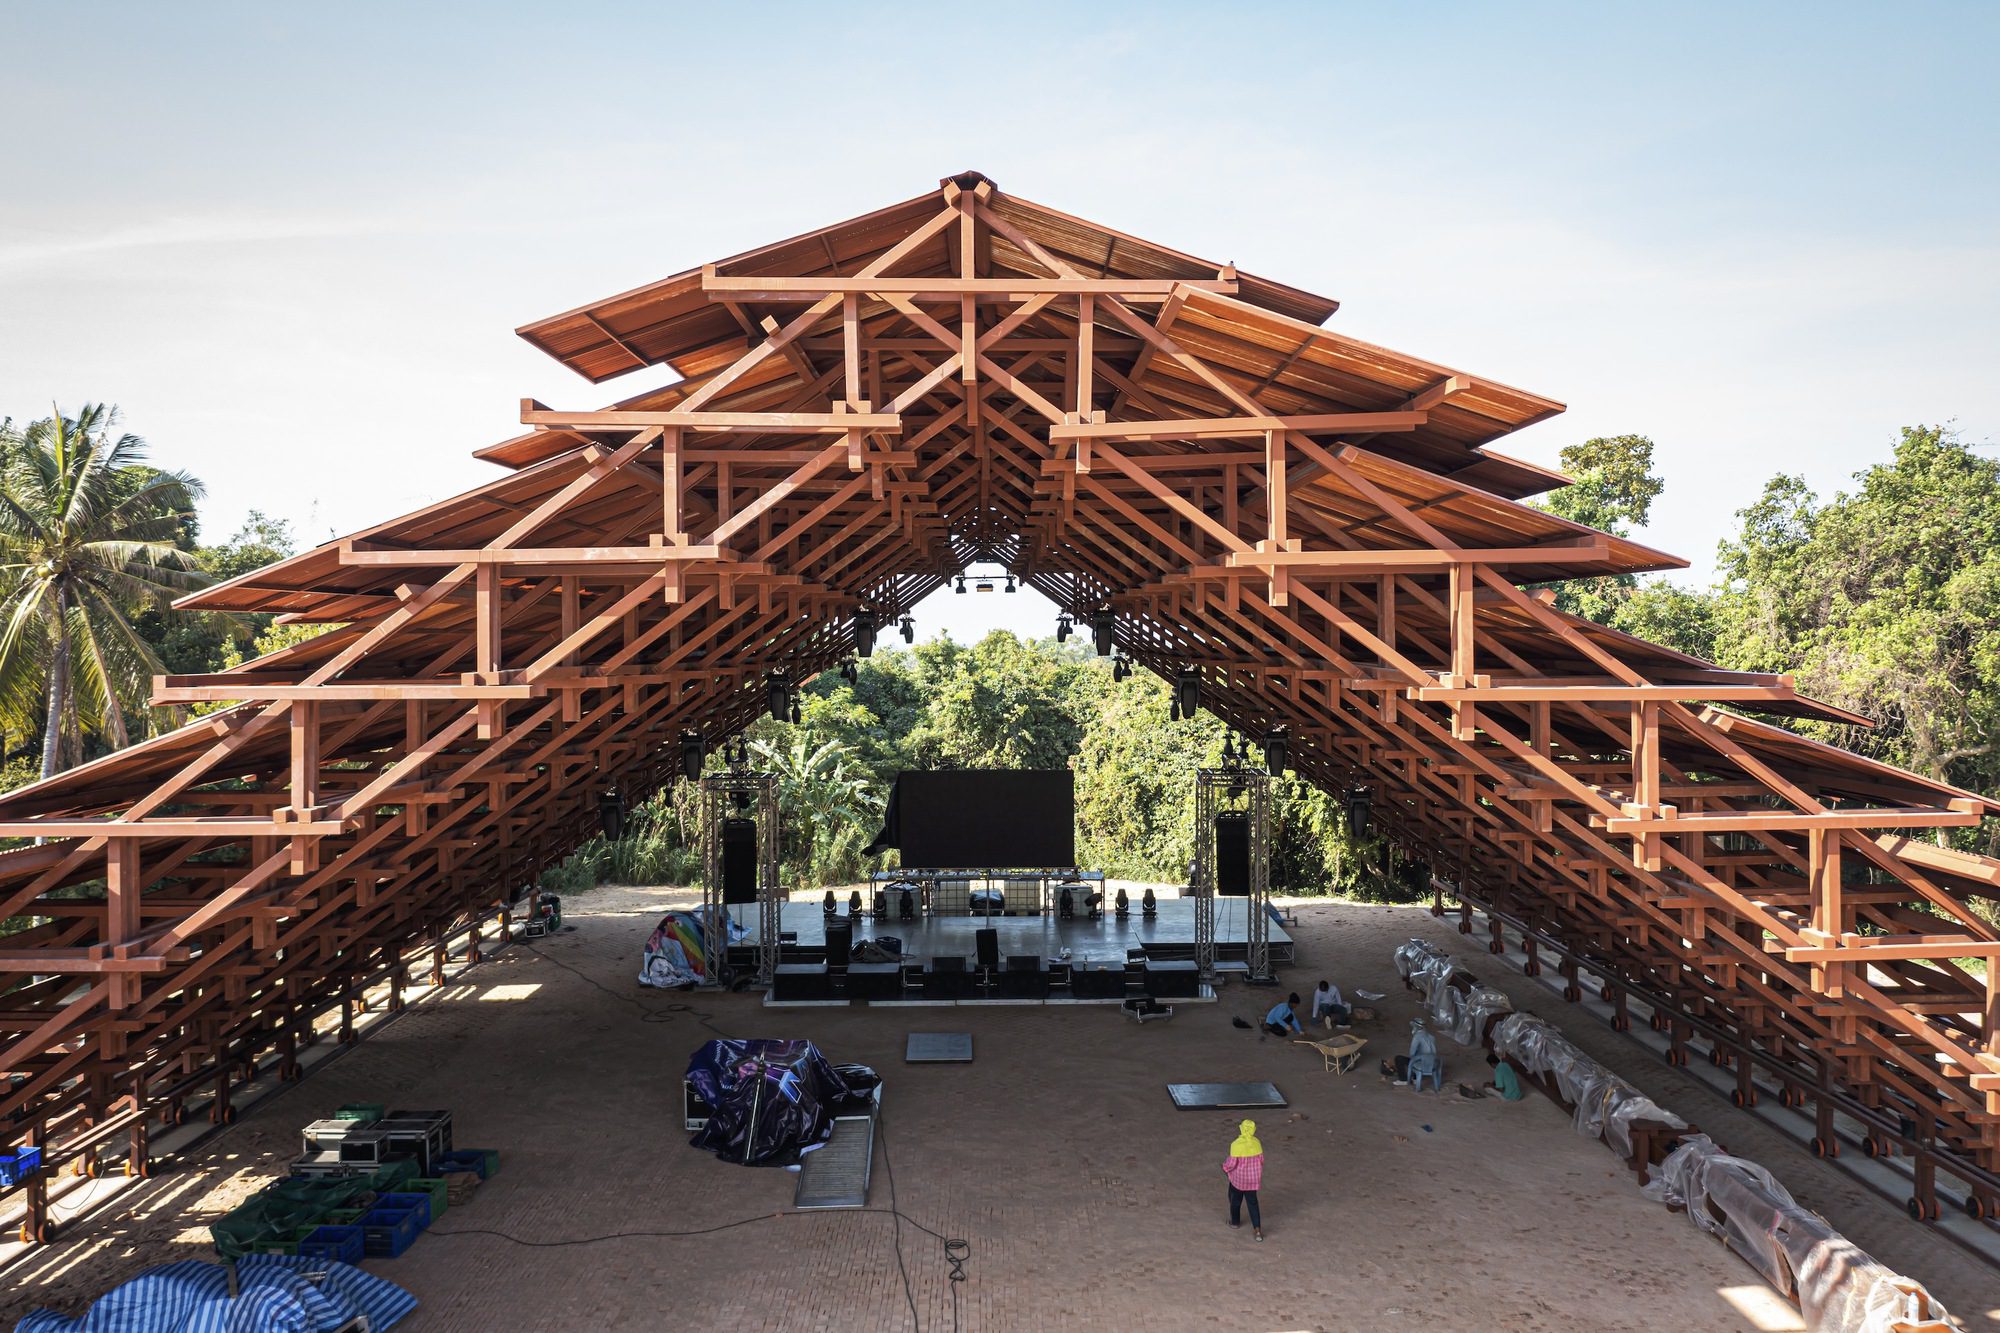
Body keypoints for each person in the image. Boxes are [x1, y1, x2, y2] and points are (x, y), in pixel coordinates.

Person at [1222, 1118, 1265, 1241]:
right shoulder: (1257, 1143)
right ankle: (1257, 1231)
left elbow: (1231, 1164)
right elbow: (1261, 1161)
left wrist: (1224, 1168)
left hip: (1238, 1180)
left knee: (1235, 1200)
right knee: (1253, 1203)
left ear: (1241, 1129)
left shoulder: (1236, 1144)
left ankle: (1235, 1222)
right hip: (1253, 1181)